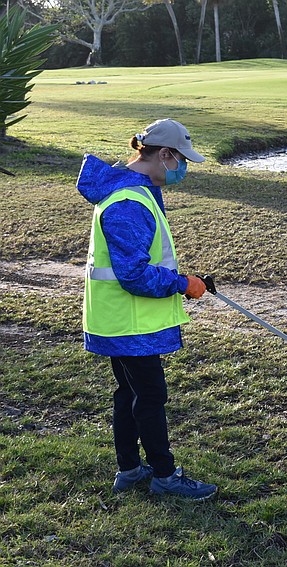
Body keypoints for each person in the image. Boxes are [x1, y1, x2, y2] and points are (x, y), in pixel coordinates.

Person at [76, 118, 217, 500]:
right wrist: (182, 283)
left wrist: (183, 280)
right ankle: (165, 475)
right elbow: (134, 275)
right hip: (129, 320)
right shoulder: (128, 203)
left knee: (130, 393)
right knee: (150, 396)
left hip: (120, 318)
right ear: (164, 154)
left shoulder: (135, 192)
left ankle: (130, 469)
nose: (183, 170)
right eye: (181, 161)